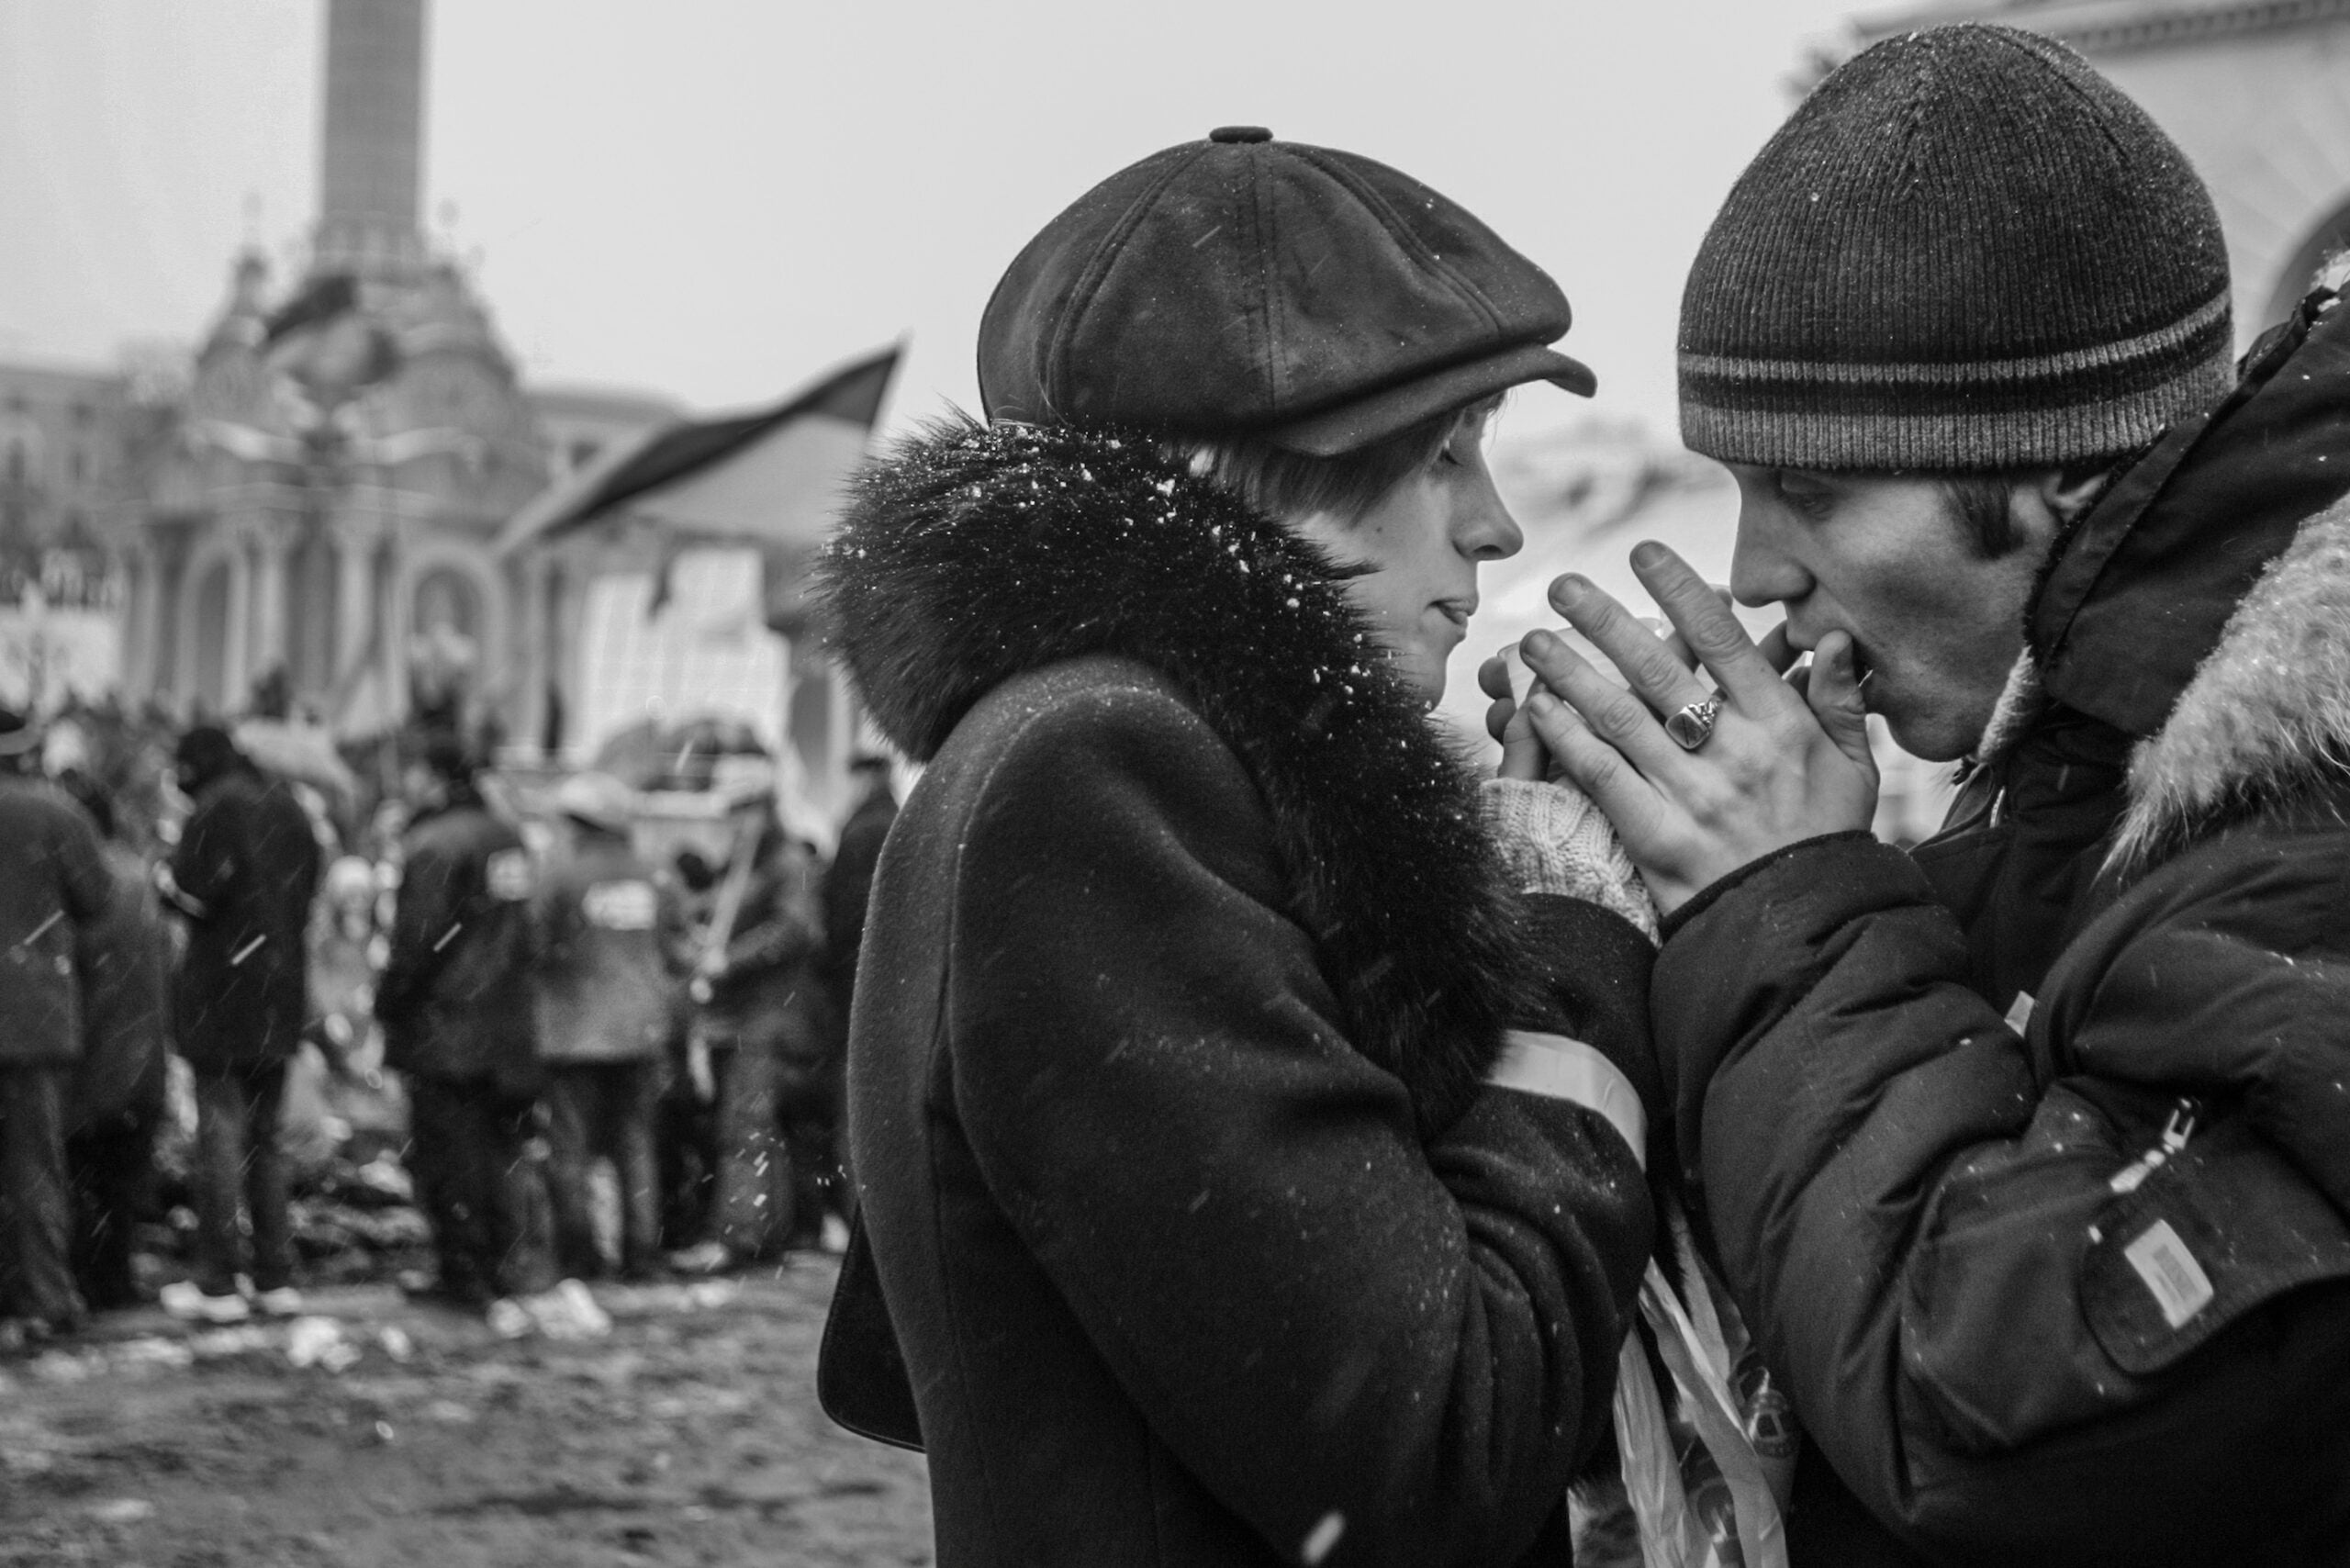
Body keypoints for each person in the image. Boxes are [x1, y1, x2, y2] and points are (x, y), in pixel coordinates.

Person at [1498, 26, 2350, 1565]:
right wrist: (1629, 915)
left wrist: (1785, 903)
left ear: (2060, 473)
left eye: (1812, 491)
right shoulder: (2098, 756)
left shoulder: (2312, 799)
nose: (1755, 572)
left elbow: (2008, 1419)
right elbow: (1991, 1085)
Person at [813, 128, 1662, 1567]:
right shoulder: (1098, 771)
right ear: (1234, 473)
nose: (1495, 523)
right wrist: (1566, 927)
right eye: (1444, 453)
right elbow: (1431, 1446)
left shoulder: (1099, 750)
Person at [155, 724, 322, 1324]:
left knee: (220, 1137)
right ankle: (277, 1277)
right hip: (279, 995)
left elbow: (194, 897)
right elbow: (305, 894)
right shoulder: (292, 810)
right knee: (265, 1141)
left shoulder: (212, 811)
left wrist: (163, 879)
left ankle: (219, 1282)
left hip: (221, 998)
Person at [375, 731, 547, 1310]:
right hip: (505, 1026)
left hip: (446, 1028)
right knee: (498, 1151)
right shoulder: (508, 838)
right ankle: (502, 1263)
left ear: (430, 775)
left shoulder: (434, 844)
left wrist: (390, 1003)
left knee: (447, 1157)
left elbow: (415, 944)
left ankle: (463, 1271)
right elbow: (525, 931)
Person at [530, 771, 686, 1281]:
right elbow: (675, 950)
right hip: (640, 1032)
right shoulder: (655, 875)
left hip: (575, 1036)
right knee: (635, 1146)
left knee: (570, 1150)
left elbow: (533, 947)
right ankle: (642, 1255)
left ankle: (580, 1259)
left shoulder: (559, 876)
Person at [671, 779, 828, 1270]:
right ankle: (764, 1234)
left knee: (746, 1129)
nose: (731, 827)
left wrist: (731, 960)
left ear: (762, 814)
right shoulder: (749, 869)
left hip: (768, 1019)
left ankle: (740, 1237)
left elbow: (799, 929)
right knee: (754, 1129)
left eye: (740, 815)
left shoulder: (787, 866)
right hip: (744, 1018)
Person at [0, 708, 111, 1345]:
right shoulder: (56, 812)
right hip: (35, 1018)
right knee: (35, 1163)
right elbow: (96, 898)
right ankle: (44, 1296)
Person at [58, 776, 171, 1314]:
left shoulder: (81, 880)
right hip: (142, 1050)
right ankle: (114, 1280)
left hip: (88, 1051)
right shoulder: (137, 873)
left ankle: (83, 1280)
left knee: (77, 1175)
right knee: (119, 1182)